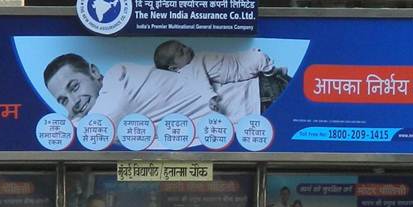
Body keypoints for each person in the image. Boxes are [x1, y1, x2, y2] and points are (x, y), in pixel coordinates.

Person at [43, 52, 273, 125]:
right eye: (63, 100)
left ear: (94, 73)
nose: (74, 102)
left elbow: (100, 124)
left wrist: (71, 120)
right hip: (254, 112)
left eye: (74, 87)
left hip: (262, 99)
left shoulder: (118, 78)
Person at [152, 39, 279, 119]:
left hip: (239, 61)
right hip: (240, 68)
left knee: (257, 59)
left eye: (183, 46)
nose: (186, 49)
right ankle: (272, 71)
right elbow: (200, 84)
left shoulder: (195, 59)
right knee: (259, 60)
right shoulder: (190, 69)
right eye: (181, 52)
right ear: (174, 68)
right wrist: (211, 98)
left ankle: (273, 70)